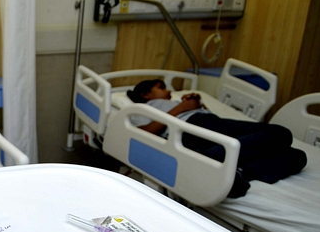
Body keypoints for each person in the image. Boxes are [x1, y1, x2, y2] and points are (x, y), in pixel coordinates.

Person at [126, 79, 307, 198]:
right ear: (145, 94)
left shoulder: (174, 102)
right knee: (280, 133)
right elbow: (144, 132)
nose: (169, 91)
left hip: (207, 124)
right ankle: (209, 159)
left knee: (297, 156)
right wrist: (181, 108)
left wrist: (198, 104)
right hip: (191, 127)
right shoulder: (144, 108)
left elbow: (209, 119)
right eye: (162, 87)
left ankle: (239, 172)